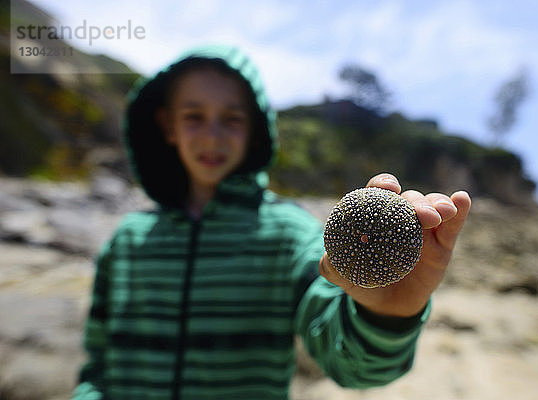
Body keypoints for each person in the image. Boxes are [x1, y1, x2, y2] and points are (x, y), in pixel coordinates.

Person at [71, 45, 471, 399]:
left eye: (231, 119)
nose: (212, 135)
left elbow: (348, 362)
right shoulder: (127, 242)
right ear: (167, 126)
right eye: (194, 116)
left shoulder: (288, 235)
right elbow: (97, 368)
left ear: (255, 128)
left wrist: (385, 316)